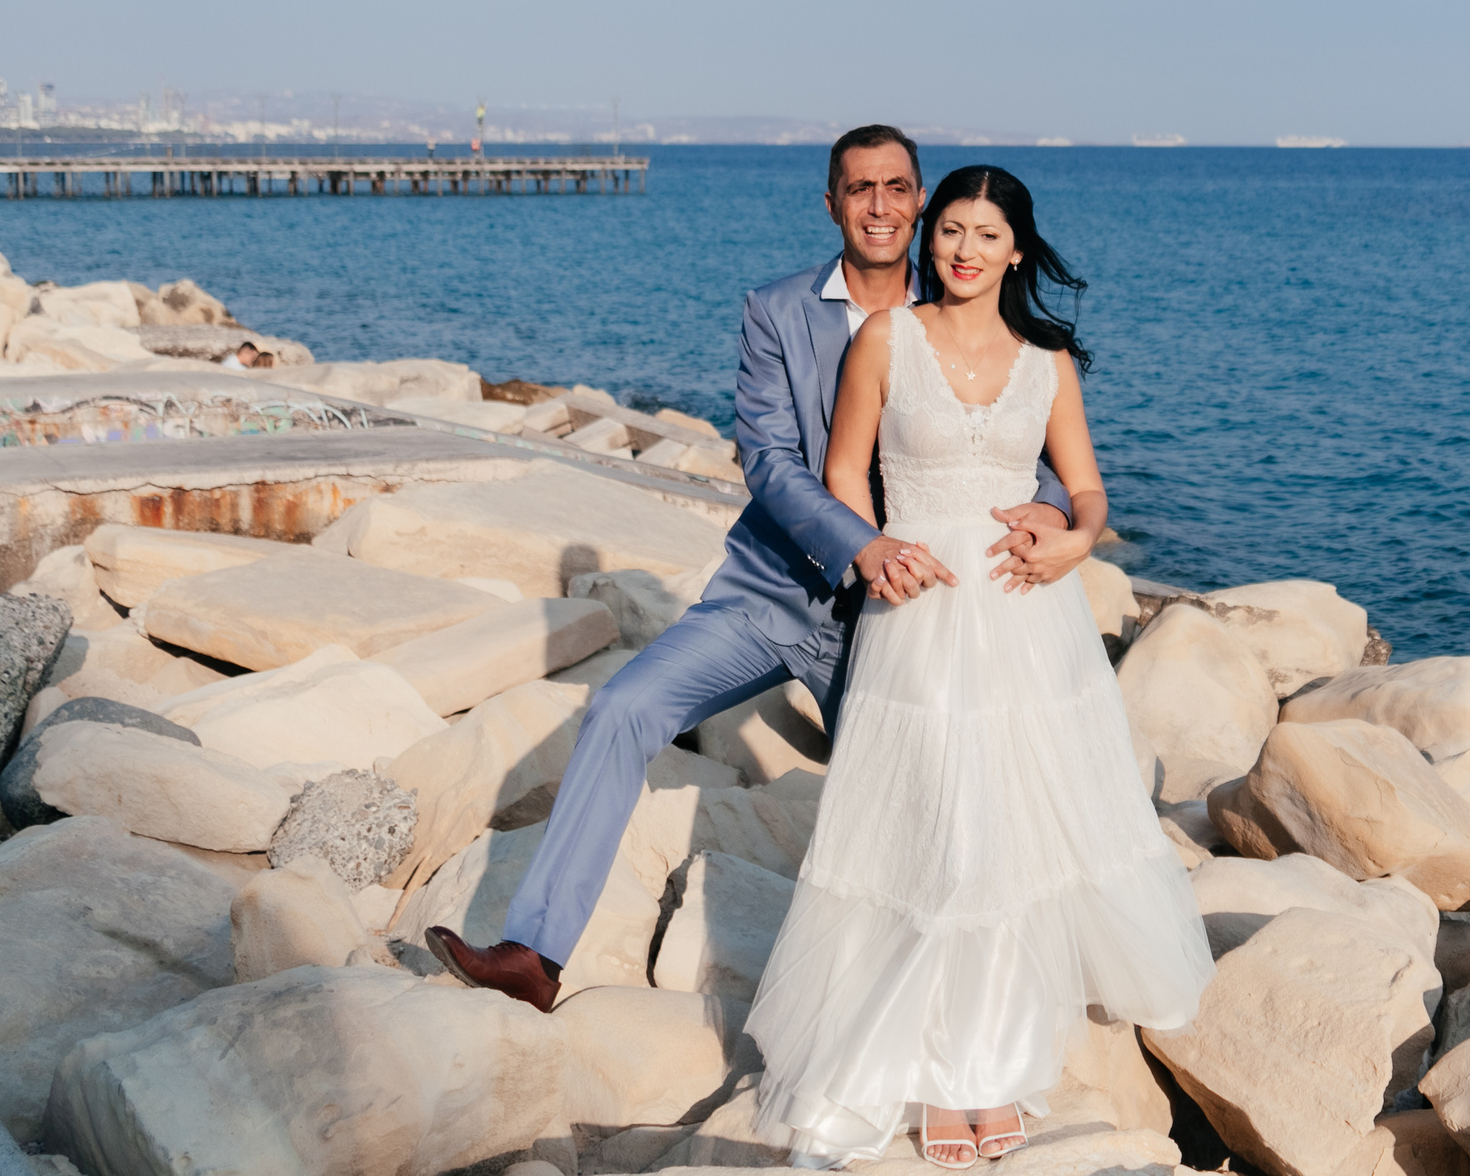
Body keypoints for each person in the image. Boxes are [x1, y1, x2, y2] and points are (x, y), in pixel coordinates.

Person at [424, 126, 1077, 1010]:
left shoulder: (961, 295)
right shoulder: (774, 310)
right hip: (772, 592)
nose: (879, 206)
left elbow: (1015, 432)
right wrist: (861, 544)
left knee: (932, 797)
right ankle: (534, 954)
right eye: (859, 189)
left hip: (905, 619)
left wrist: (1058, 506)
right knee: (623, 706)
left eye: (896, 188)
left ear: (922, 200)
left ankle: (961, 997)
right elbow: (769, 461)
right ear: (832, 203)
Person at [744, 164, 1213, 1171]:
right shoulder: (888, 337)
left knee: (1004, 841)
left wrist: (1076, 541)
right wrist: (874, 551)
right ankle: (919, 1063)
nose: (961, 248)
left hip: (1024, 619)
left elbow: (1086, 491)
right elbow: (840, 471)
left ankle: (986, 1073)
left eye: (984, 234)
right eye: (949, 228)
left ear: (1016, 249)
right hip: (916, 614)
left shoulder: (1047, 361)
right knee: (928, 833)